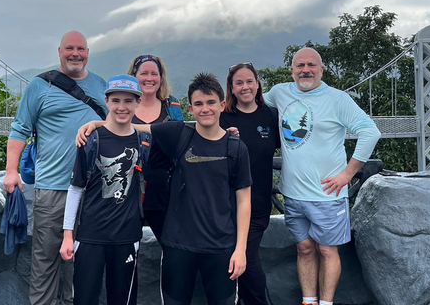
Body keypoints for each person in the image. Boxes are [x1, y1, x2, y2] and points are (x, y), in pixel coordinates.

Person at [78, 73, 252, 305]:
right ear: (190, 108)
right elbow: (135, 125)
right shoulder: (178, 134)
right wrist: (96, 124)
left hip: (222, 247)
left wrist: (241, 250)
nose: (205, 109)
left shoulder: (236, 148)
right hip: (177, 246)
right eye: (199, 104)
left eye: (211, 103)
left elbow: (244, 201)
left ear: (221, 105)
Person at [263, 48, 381, 305]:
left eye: (311, 65)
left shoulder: (337, 99)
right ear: (292, 70)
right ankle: (309, 301)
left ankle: (326, 303)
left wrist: (348, 173)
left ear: (321, 69)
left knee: (327, 250)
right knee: (304, 248)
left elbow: (370, 132)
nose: (306, 70)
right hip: (292, 193)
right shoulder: (279, 93)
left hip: (327, 195)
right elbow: (249, 103)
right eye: (300, 65)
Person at [4, 31, 107, 305]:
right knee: (45, 258)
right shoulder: (39, 86)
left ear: (88, 52)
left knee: (81, 260)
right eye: (70, 48)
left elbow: (117, 128)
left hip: (91, 189)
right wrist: (11, 171)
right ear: (59, 51)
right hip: (52, 187)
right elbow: (20, 129)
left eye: (81, 49)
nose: (76, 54)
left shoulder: (100, 86)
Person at [59, 74, 146, 305]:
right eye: (116, 100)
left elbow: (185, 130)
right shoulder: (90, 140)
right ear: (106, 101)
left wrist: (225, 132)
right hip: (90, 236)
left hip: (127, 236)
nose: (122, 107)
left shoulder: (142, 141)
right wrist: (68, 235)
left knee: (123, 300)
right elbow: (76, 188)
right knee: (85, 299)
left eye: (129, 101)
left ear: (138, 103)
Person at [220, 63, 280, 305]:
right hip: (225, 205)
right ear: (232, 89)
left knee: (247, 258)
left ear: (257, 84)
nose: (245, 87)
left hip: (258, 204)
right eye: (239, 83)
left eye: (249, 81)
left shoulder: (271, 116)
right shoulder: (222, 118)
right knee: (231, 260)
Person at [126, 54, 184, 240]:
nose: (149, 78)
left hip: (165, 194)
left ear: (161, 77)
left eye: (154, 74)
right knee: (125, 254)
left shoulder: (171, 108)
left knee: (173, 249)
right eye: (144, 73)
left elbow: (185, 141)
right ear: (134, 76)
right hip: (128, 194)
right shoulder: (123, 106)